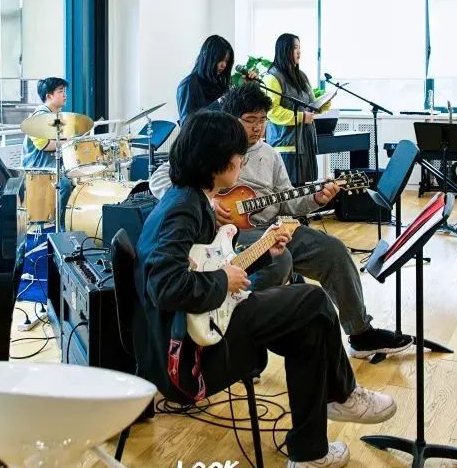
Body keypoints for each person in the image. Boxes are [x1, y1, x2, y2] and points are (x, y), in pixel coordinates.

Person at [134, 110, 397, 468]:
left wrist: (260, 254)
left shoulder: (190, 199)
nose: (242, 162)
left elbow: (208, 265)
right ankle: (343, 396)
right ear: (217, 161)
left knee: (308, 328)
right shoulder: (182, 210)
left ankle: (309, 453)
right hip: (190, 357)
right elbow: (164, 287)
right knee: (312, 302)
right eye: (238, 156)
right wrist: (223, 280)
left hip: (196, 330)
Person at [149, 84, 412, 357]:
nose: (258, 128)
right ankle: (237, 332)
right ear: (231, 118)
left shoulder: (270, 154)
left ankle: (360, 333)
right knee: (279, 260)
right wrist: (206, 203)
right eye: (250, 120)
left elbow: (288, 202)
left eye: (263, 120)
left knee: (333, 250)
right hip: (228, 235)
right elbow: (161, 179)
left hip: (271, 226)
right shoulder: (211, 146)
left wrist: (318, 198)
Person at [264, 33, 326, 184]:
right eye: (295, 48)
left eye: (299, 47)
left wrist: (324, 103)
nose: (299, 52)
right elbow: (272, 111)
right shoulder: (272, 77)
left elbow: (310, 104)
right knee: (287, 189)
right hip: (285, 145)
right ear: (284, 50)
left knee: (302, 189)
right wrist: (301, 117)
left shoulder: (302, 76)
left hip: (304, 142)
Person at [22, 77, 73, 221]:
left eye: (64, 91)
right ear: (49, 95)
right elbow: (43, 145)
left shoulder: (55, 115)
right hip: (38, 167)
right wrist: (68, 142)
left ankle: (67, 220)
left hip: (51, 165)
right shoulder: (40, 116)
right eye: (61, 91)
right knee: (64, 184)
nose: (65, 95)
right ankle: (60, 224)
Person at [176, 35, 241, 124]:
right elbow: (188, 124)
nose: (224, 65)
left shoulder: (220, 84)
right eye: (220, 59)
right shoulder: (188, 84)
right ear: (206, 56)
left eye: (226, 61)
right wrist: (222, 100)